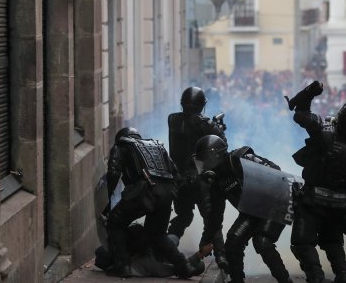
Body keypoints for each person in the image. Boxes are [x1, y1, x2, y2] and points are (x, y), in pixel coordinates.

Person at [287, 81, 346, 283]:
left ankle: (316, 277)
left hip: (312, 202)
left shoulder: (324, 134)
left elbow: (299, 113)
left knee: (302, 243)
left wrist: (309, 92)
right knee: (333, 242)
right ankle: (343, 274)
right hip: (340, 205)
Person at [195, 135, 292, 283]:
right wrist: (205, 240)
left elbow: (276, 172)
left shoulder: (241, 159)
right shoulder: (216, 182)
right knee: (233, 242)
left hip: (275, 203)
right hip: (253, 210)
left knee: (262, 242)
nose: (204, 166)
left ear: (216, 156)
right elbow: (215, 216)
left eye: (205, 161)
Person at [104, 127, 199, 278]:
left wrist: (109, 199)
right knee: (158, 234)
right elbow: (176, 175)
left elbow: (113, 172)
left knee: (115, 222)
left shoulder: (122, 145)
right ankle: (184, 266)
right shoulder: (157, 145)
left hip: (144, 190)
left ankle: (123, 264)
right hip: (167, 193)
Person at [167, 87, 229, 270]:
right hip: (200, 178)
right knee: (211, 220)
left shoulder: (172, 119)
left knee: (183, 216)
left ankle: (167, 248)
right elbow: (221, 144)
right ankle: (221, 256)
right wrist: (219, 128)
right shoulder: (206, 123)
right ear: (202, 105)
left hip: (178, 178)